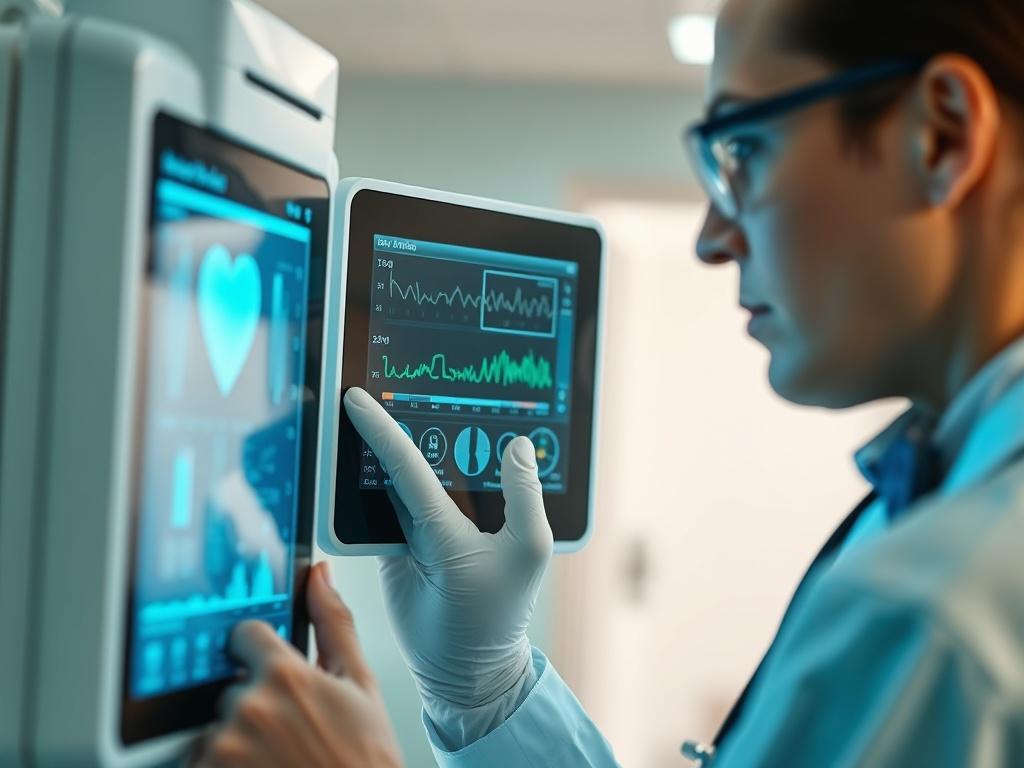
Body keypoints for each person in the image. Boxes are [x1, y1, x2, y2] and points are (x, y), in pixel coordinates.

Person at [191, 0, 1024, 764]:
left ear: (942, 136)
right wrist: (486, 689)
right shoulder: (934, 512)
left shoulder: (941, 613)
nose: (711, 236)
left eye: (744, 148)